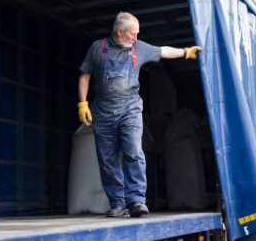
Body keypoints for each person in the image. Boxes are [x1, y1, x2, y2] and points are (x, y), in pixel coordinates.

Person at [77, 12, 202, 218]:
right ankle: (117, 204)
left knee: (134, 152)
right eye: (133, 34)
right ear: (120, 32)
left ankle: (136, 201)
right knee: (108, 160)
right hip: (103, 112)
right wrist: (83, 103)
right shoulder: (98, 48)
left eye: (137, 34)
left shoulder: (139, 48)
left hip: (130, 109)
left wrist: (185, 52)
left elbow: (163, 51)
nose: (136, 37)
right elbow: (85, 75)